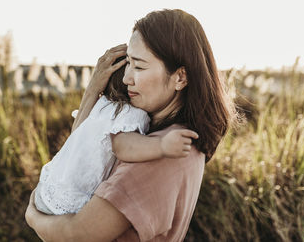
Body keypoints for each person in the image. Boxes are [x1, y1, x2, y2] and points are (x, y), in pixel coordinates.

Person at [26, 8, 236, 241]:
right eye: (128, 64)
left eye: (139, 66)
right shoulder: (163, 137)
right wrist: (94, 88)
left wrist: (33, 217)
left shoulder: (160, 152)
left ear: (180, 77)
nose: (127, 79)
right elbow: (82, 145)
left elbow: (78, 234)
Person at [34, 54, 199, 215]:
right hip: (71, 200)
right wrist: (161, 145)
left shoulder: (101, 106)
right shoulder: (131, 113)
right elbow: (123, 146)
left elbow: (76, 133)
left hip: (47, 187)